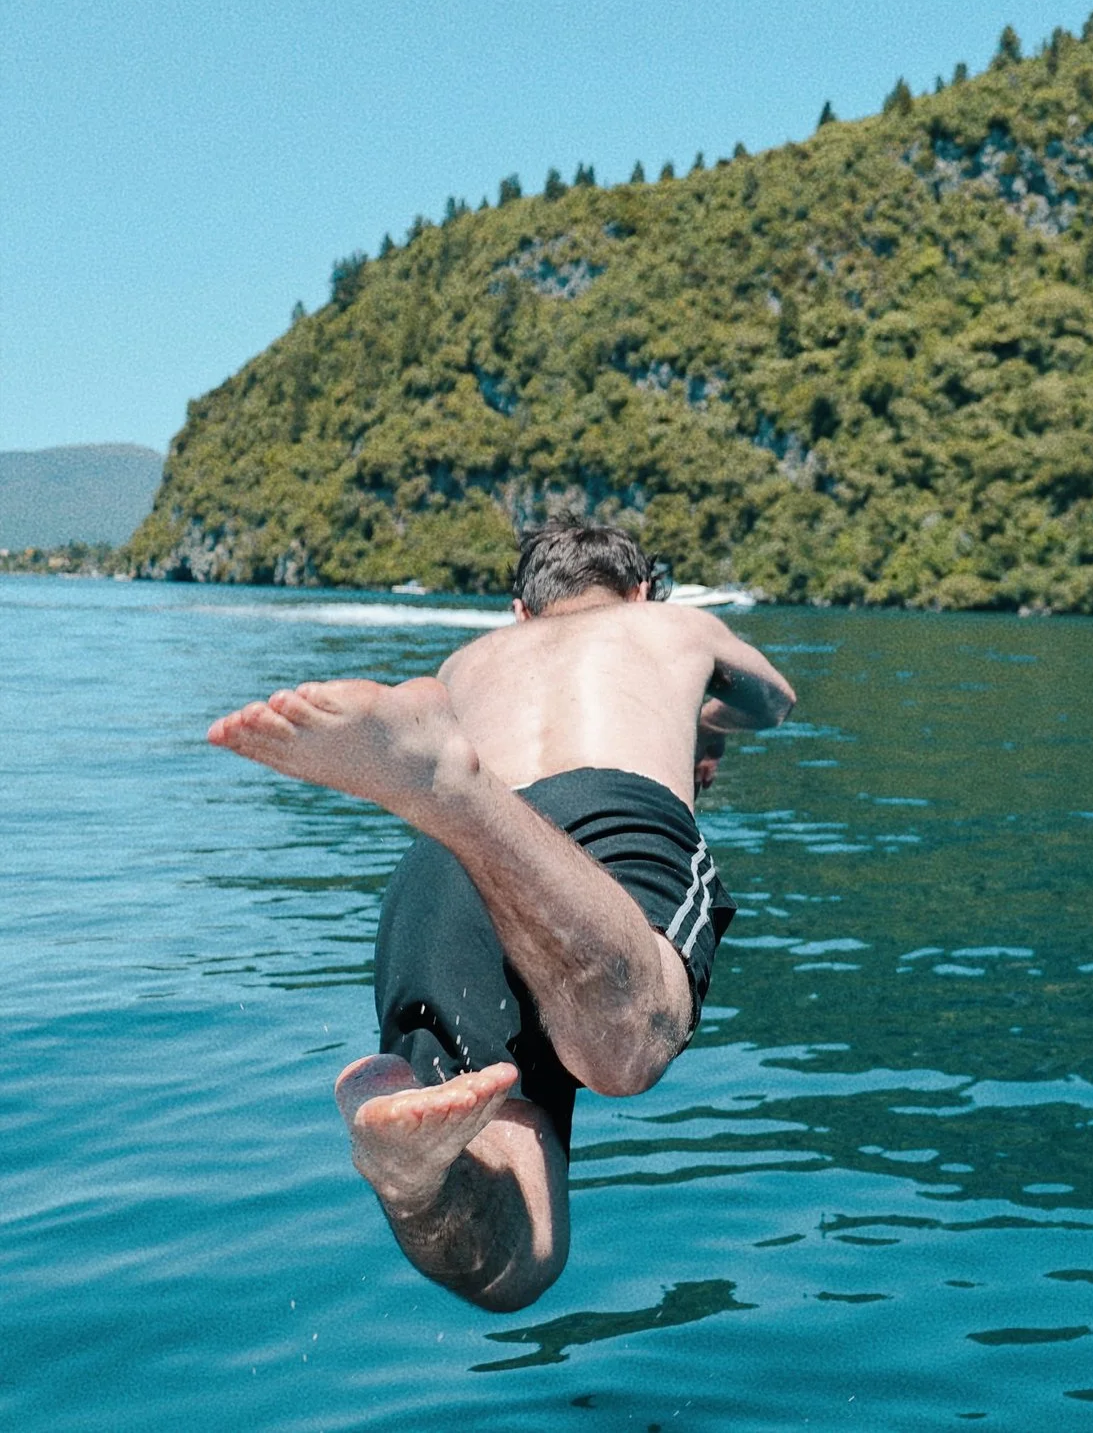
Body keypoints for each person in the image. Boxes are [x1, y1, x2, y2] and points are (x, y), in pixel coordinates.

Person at [205, 518, 796, 1311]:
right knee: (631, 1045)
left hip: (442, 870)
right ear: (641, 591)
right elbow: (772, 699)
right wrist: (700, 713)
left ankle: (412, 1182)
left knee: (514, 1263)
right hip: (601, 817)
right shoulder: (673, 625)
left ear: (520, 610)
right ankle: (459, 794)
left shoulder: (468, 660)